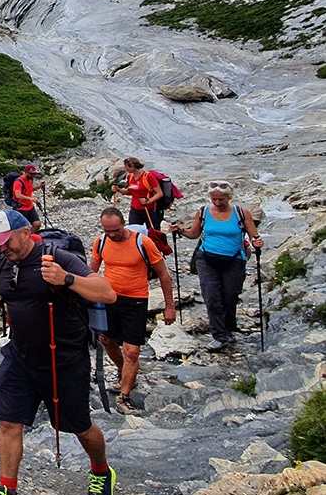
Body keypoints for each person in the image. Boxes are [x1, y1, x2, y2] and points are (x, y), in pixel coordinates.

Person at [0, 210, 118, 495]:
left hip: (63, 359)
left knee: (78, 425)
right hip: (19, 357)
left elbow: (107, 292)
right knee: (9, 421)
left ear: (26, 233)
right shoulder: (1, 263)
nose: (2, 248)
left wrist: (66, 279)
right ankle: (8, 493)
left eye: (6, 241)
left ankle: (102, 471)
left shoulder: (57, 257)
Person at [90, 207, 176, 414]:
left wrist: (169, 307)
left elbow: (163, 275)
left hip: (136, 301)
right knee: (106, 340)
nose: (112, 235)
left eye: (116, 231)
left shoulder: (143, 242)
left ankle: (125, 396)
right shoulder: (101, 242)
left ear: (123, 225)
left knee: (132, 351)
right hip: (109, 298)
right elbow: (90, 271)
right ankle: (124, 371)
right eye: (107, 231)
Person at [169, 181, 263, 351]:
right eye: (214, 199)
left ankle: (228, 328)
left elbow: (253, 235)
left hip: (234, 259)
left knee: (230, 297)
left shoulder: (241, 213)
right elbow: (194, 234)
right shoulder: (204, 212)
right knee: (212, 297)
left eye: (221, 200)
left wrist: (257, 241)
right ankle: (219, 336)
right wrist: (181, 230)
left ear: (229, 198)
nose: (218, 203)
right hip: (206, 259)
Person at [111, 157, 162, 230]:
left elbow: (159, 193)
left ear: (132, 167)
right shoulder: (130, 177)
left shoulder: (148, 177)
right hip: (135, 209)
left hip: (149, 209)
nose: (125, 168)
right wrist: (119, 190)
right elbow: (130, 191)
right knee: (133, 231)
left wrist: (149, 201)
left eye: (126, 166)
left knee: (153, 232)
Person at [12, 163, 45, 232]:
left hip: (29, 207)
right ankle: (24, 239)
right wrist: (31, 198)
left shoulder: (30, 180)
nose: (33, 176)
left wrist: (39, 186)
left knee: (37, 224)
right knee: (23, 228)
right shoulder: (18, 182)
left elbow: (29, 189)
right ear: (26, 172)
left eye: (34, 174)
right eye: (31, 174)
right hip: (20, 208)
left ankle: (28, 237)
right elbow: (18, 195)